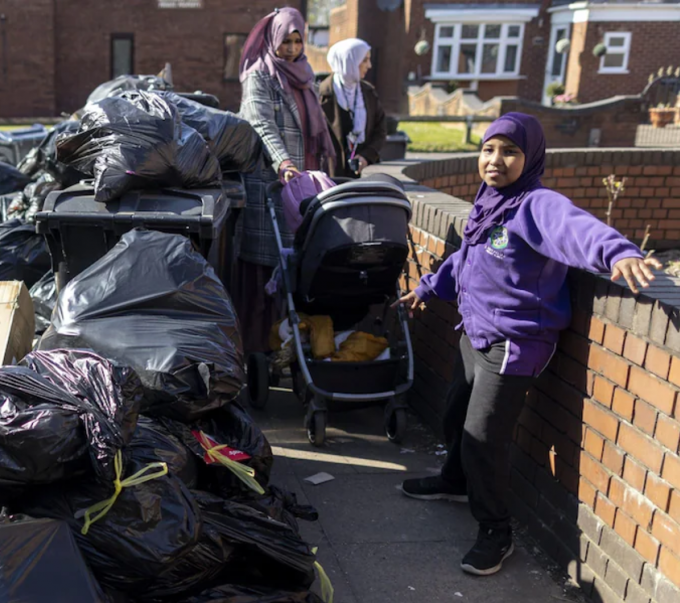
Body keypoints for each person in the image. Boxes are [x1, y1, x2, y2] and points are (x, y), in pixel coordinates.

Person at [395, 113, 661, 577]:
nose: (495, 160)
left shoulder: (536, 205)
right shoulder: (489, 201)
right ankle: (454, 480)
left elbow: (577, 230)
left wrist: (619, 251)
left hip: (515, 342)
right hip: (475, 331)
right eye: (488, 149)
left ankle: (496, 531)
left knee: (484, 439)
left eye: (510, 151)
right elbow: (467, 256)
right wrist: (429, 286)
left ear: (530, 157)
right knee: (455, 414)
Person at [234, 6, 335, 353]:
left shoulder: (306, 75)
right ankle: (256, 349)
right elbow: (261, 124)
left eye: (297, 41)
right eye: (285, 42)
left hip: (304, 185)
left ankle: (286, 346)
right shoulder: (259, 75)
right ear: (271, 40)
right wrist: (284, 163)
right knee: (265, 269)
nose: (291, 49)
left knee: (295, 267)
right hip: (273, 183)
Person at [319, 38, 387, 177]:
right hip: (330, 175)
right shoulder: (320, 94)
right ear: (349, 61)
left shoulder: (368, 92)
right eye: (364, 60)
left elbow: (380, 130)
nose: (369, 65)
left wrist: (366, 156)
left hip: (362, 174)